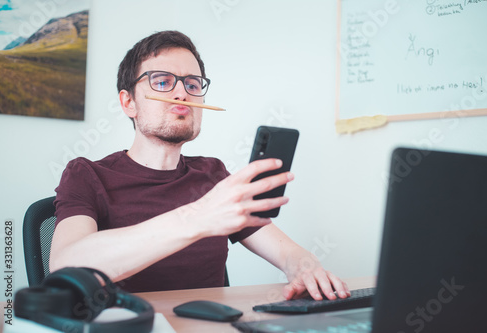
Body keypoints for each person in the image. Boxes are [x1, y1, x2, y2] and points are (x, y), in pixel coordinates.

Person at [50, 30, 350, 301]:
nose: (182, 93)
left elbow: (285, 251)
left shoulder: (213, 175)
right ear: (129, 102)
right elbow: (66, 265)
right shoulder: (86, 174)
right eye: (163, 81)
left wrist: (302, 265)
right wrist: (198, 217)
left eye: (192, 84)